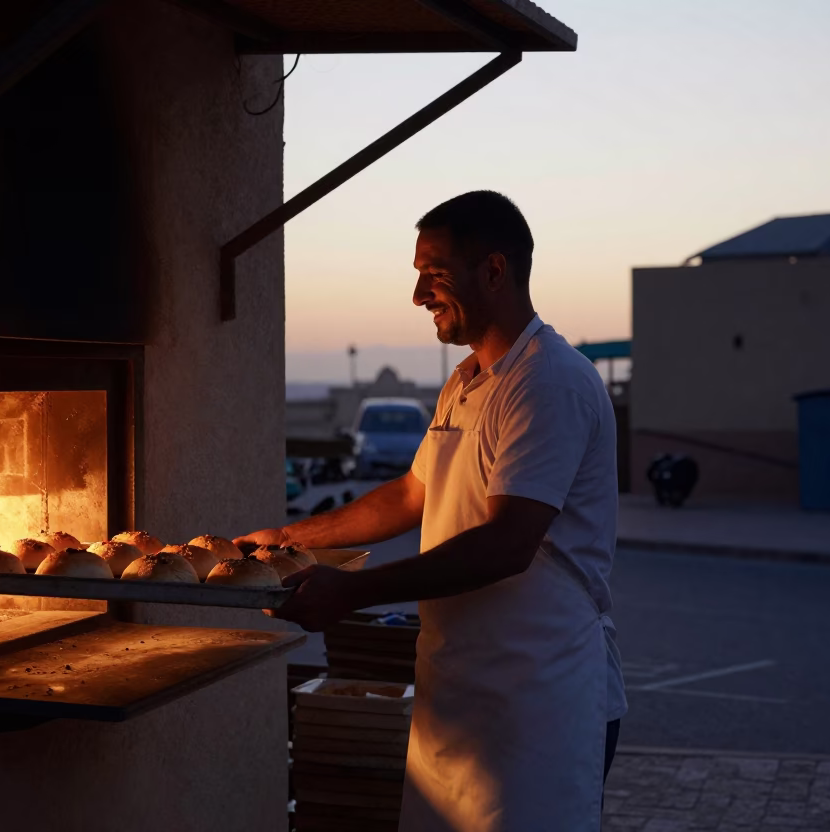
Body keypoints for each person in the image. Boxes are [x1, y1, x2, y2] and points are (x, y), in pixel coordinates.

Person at [238, 191, 626, 832]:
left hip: (539, 701)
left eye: (433, 274)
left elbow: (507, 543)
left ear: (494, 271)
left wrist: (352, 591)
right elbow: (411, 494)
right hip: (458, 692)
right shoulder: (468, 381)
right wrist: (285, 540)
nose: (418, 295)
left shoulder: (549, 381)